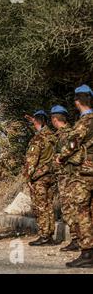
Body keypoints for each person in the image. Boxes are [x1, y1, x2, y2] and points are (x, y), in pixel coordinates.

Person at [57, 84, 93, 268]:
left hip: (85, 174)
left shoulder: (84, 122)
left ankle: (87, 252)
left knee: (82, 211)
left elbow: (72, 144)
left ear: (77, 102)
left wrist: (60, 157)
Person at [23, 110, 57, 246]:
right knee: (49, 206)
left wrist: (28, 178)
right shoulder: (53, 136)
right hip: (51, 176)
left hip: (39, 177)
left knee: (41, 206)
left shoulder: (37, 139)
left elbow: (32, 161)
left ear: (36, 122)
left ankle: (44, 235)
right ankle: (49, 234)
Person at [51, 105, 80, 251]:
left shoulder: (65, 135)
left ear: (55, 119)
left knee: (69, 208)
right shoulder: (69, 133)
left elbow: (67, 154)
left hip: (67, 176)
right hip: (68, 176)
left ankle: (76, 239)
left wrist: (59, 159)